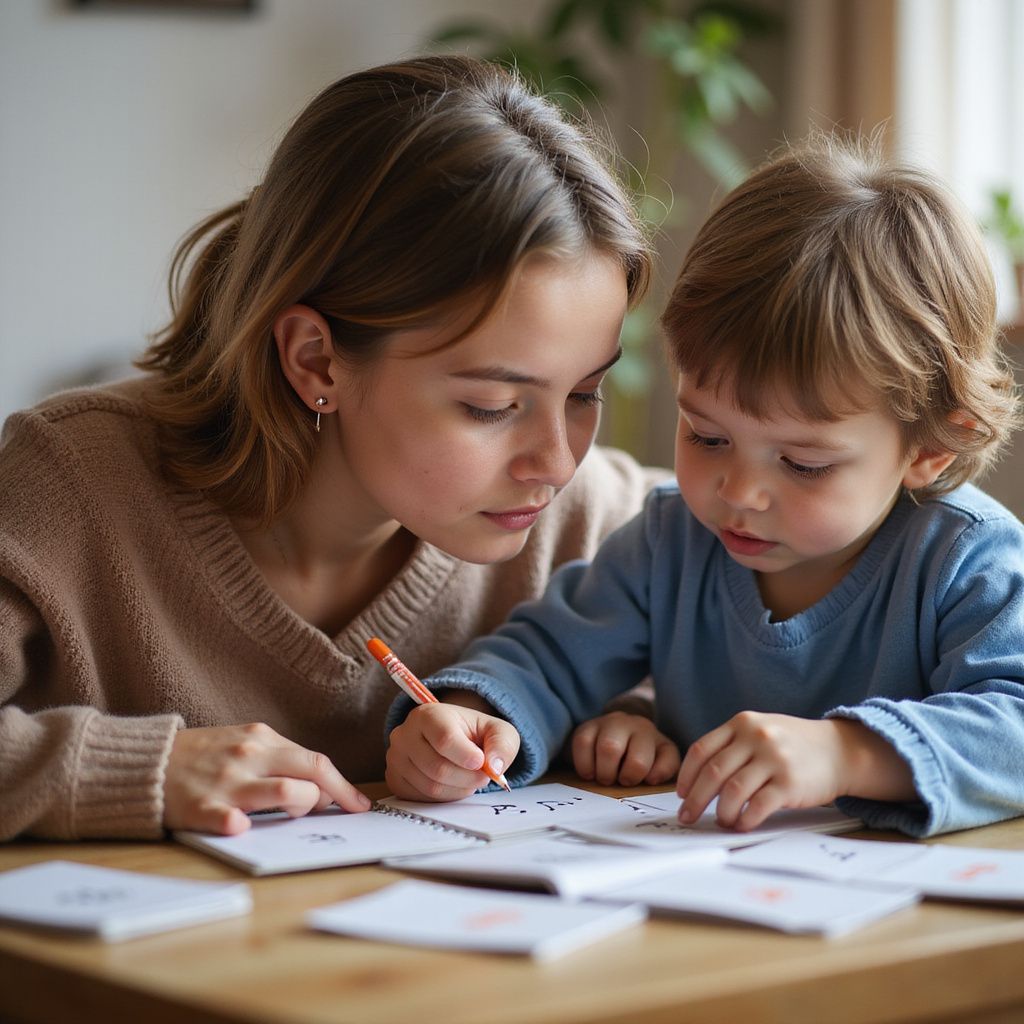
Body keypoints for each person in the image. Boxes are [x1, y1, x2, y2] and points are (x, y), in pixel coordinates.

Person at [0, 55, 676, 842]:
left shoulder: (593, 518)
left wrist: (638, 714)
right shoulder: (72, 480)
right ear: (316, 360)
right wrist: (145, 769)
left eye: (586, 393)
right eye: (492, 406)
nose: (556, 462)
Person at [385, 133, 1024, 838]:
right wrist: (480, 714)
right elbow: (551, 654)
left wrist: (847, 753)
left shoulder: (968, 560)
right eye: (708, 437)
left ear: (930, 448)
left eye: (804, 463)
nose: (739, 491)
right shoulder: (670, 542)